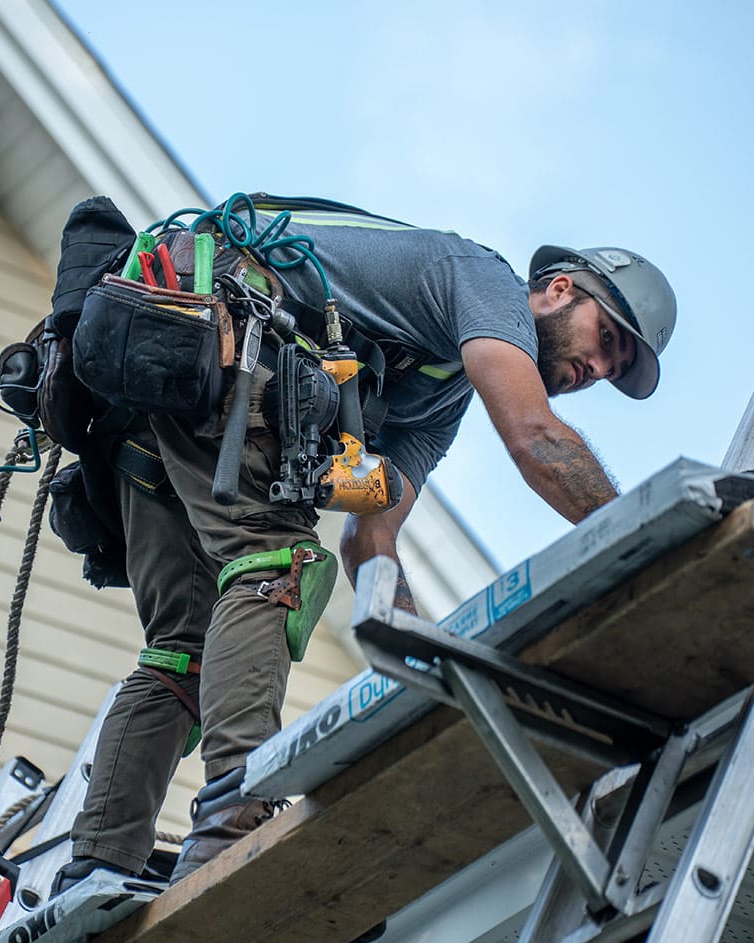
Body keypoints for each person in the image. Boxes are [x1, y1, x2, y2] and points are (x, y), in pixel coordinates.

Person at [51, 199, 676, 894]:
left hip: (160, 393)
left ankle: (99, 860)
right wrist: (649, 535)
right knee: (276, 568)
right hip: (208, 339)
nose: (600, 366)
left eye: (616, 368)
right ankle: (232, 823)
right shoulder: (483, 279)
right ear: (559, 290)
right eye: (607, 337)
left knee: (185, 651)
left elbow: (370, 535)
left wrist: (425, 675)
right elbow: (538, 438)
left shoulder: (436, 404)